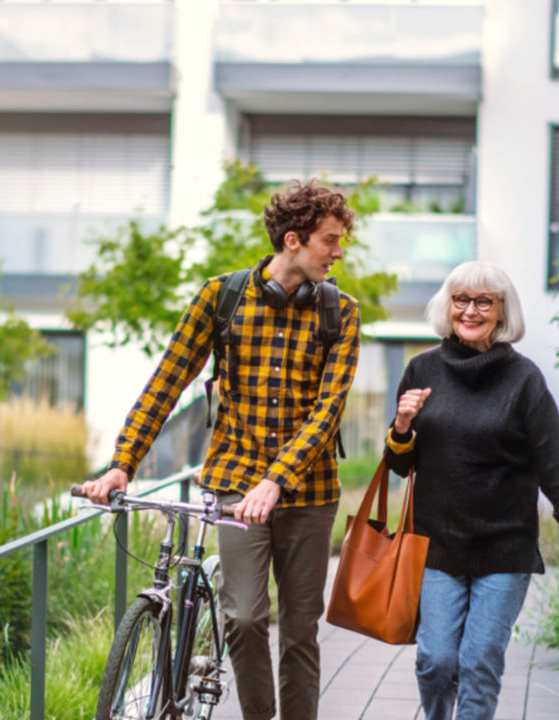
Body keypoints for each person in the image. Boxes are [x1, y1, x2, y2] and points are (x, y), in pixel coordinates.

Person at [82, 180, 361, 720]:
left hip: (309, 492)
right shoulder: (222, 297)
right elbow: (166, 382)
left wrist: (276, 480)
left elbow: (328, 412)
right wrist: (122, 464)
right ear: (293, 239)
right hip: (234, 485)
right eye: (330, 240)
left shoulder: (340, 312)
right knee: (245, 617)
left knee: (300, 629)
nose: (338, 252)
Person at [383, 260, 559, 720]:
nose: (471, 310)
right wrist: (402, 425)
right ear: (448, 306)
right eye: (462, 299)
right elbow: (400, 464)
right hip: (437, 547)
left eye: (485, 301)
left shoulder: (524, 380)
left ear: (502, 312)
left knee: (479, 661)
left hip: (504, 550)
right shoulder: (422, 369)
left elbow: (556, 468)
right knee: (435, 661)